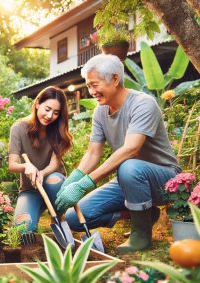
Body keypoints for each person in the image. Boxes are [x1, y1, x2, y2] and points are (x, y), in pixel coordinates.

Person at [55, 54, 181, 253]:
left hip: (164, 178)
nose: (91, 91)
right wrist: (74, 180)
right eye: (88, 86)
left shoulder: (143, 104)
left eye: (95, 85)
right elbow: (93, 153)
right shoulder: (100, 111)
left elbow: (131, 149)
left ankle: (140, 235)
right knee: (73, 218)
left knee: (129, 166)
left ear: (115, 79)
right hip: (129, 179)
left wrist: (87, 183)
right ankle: (146, 215)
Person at [8, 86, 71, 233]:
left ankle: (58, 218)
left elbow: (55, 163)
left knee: (53, 181)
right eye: (47, 109)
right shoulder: (18, 128)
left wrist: (41, 173)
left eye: (56, 113)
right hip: (31, 189)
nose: (50, 116)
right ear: (37, 104)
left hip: (53, 183)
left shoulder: (57, 130)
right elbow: (12, 164)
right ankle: (34, 210)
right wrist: (26, 167)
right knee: (22, 230)